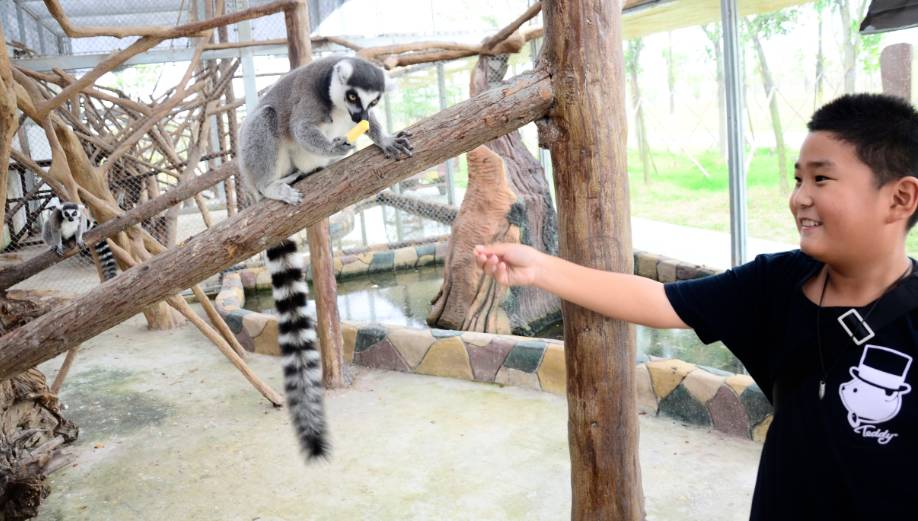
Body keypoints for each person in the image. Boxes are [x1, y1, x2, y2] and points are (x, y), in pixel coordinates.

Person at [473, 93, 918, 520]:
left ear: (900, 199)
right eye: (799, 178)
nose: (800, 196)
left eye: (821, 179)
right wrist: (542, 269)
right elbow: (661, 302)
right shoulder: (775, 282)